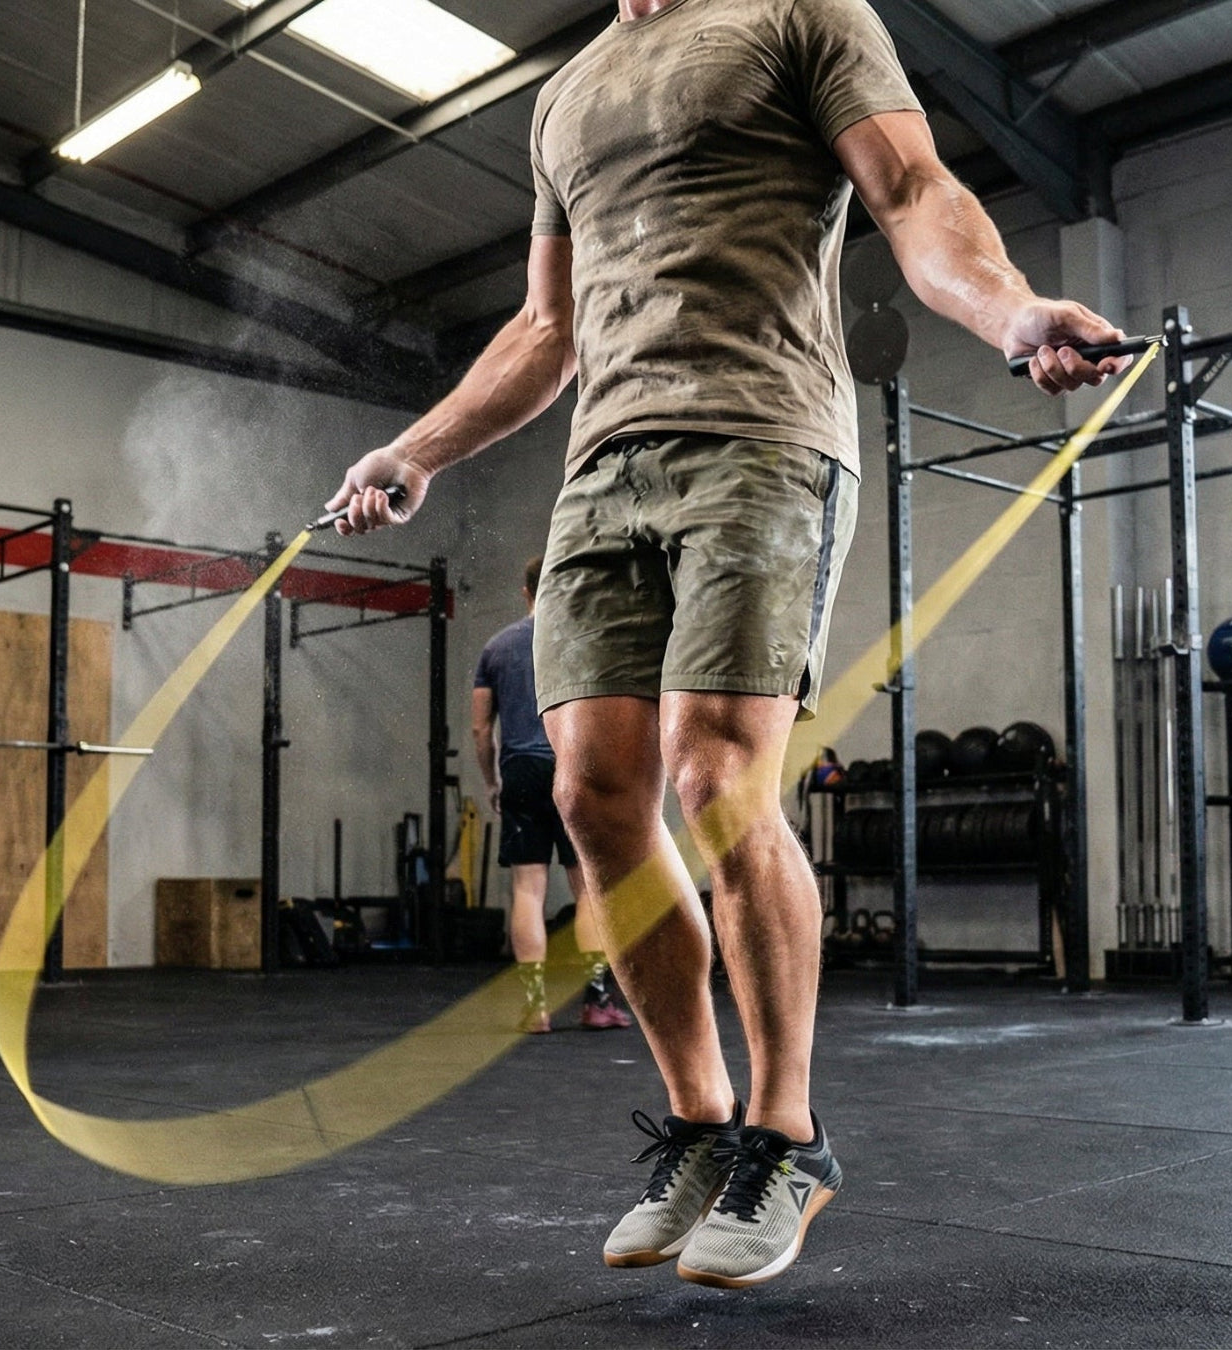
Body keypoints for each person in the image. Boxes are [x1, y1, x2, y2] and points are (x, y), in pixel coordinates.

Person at [326, 0, 1131, 1289]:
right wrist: (414, 451)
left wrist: (1013, 312)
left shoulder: (801, 12)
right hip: (600, 471)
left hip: (762, 440)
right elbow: (550, 328)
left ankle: (788, 1134)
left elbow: (912, 188)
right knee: (592, 798)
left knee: (716, 780)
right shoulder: (566, 92)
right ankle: (702, 1124)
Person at [472, 555, 633, 1034]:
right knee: (588, 892)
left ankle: (535, 1008)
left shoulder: (496, 647)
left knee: (527, 889)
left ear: (525, 592)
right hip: (573, 770)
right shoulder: (584, 640)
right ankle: (597, 1002)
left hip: (520, 770)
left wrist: (493, 781)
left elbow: (481, 730)